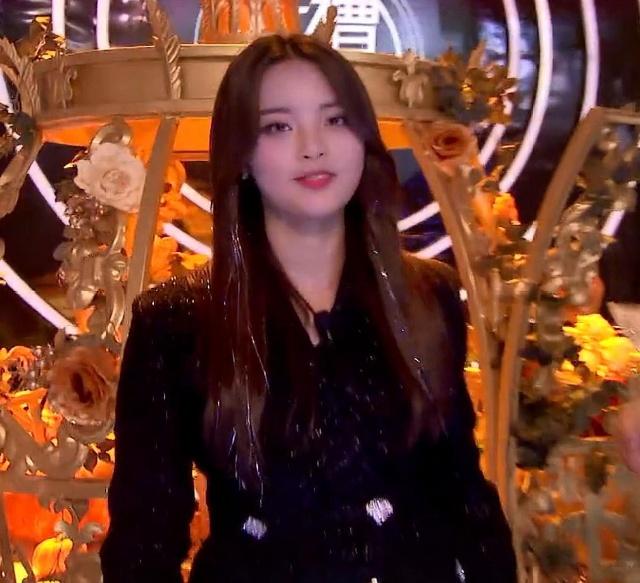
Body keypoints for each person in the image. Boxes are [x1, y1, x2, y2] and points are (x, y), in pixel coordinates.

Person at [100, 33, 517, 582]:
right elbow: (144, 538)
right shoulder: (175, 320)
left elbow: (463, 494)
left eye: (335, 120)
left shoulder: (428, 295)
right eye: (278, 126)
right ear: (241, 155)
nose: (313, 146)